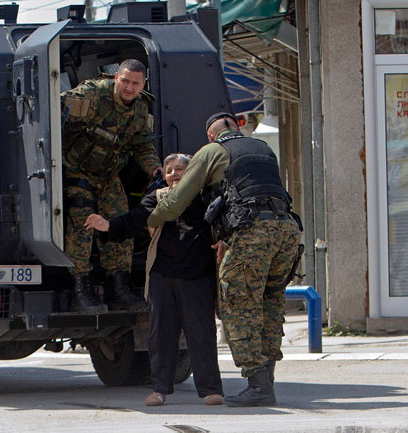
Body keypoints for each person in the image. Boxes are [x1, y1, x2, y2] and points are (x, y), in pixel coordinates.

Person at [146, 112, 301, 407]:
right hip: (287, 230)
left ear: (211, 135)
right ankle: (266, 380)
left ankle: (258, 385)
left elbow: (178, 200)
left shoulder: (212, 151)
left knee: (239, 305)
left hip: (253, 233)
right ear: (237, 128)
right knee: (269, 304)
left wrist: (153, 219)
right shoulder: (262, 148)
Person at [84, 153, 224, 407]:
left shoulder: (204, 196)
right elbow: (135, 218)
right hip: (162, 275)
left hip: (196, 276)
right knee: (161, 334)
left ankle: (210, 389)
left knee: (201, 333)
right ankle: (159, 389)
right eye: (169, 171)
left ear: (191, 172)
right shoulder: (159, 197)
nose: (173, 174)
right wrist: (108, 226)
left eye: (179, 169)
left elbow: (223, 222)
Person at [61, 58, 162, 313]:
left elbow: (142, 145)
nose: (129, 87)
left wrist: (154, 169)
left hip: (108, 175)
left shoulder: (140, 110)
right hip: (78, 169)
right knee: (83, 223)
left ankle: (119, 286)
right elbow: (57, 110)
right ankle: (80, 289)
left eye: (135, 83)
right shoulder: (94, 94)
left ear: (143, 84)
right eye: (125, 81)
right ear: (116, 78)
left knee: (120, 223)